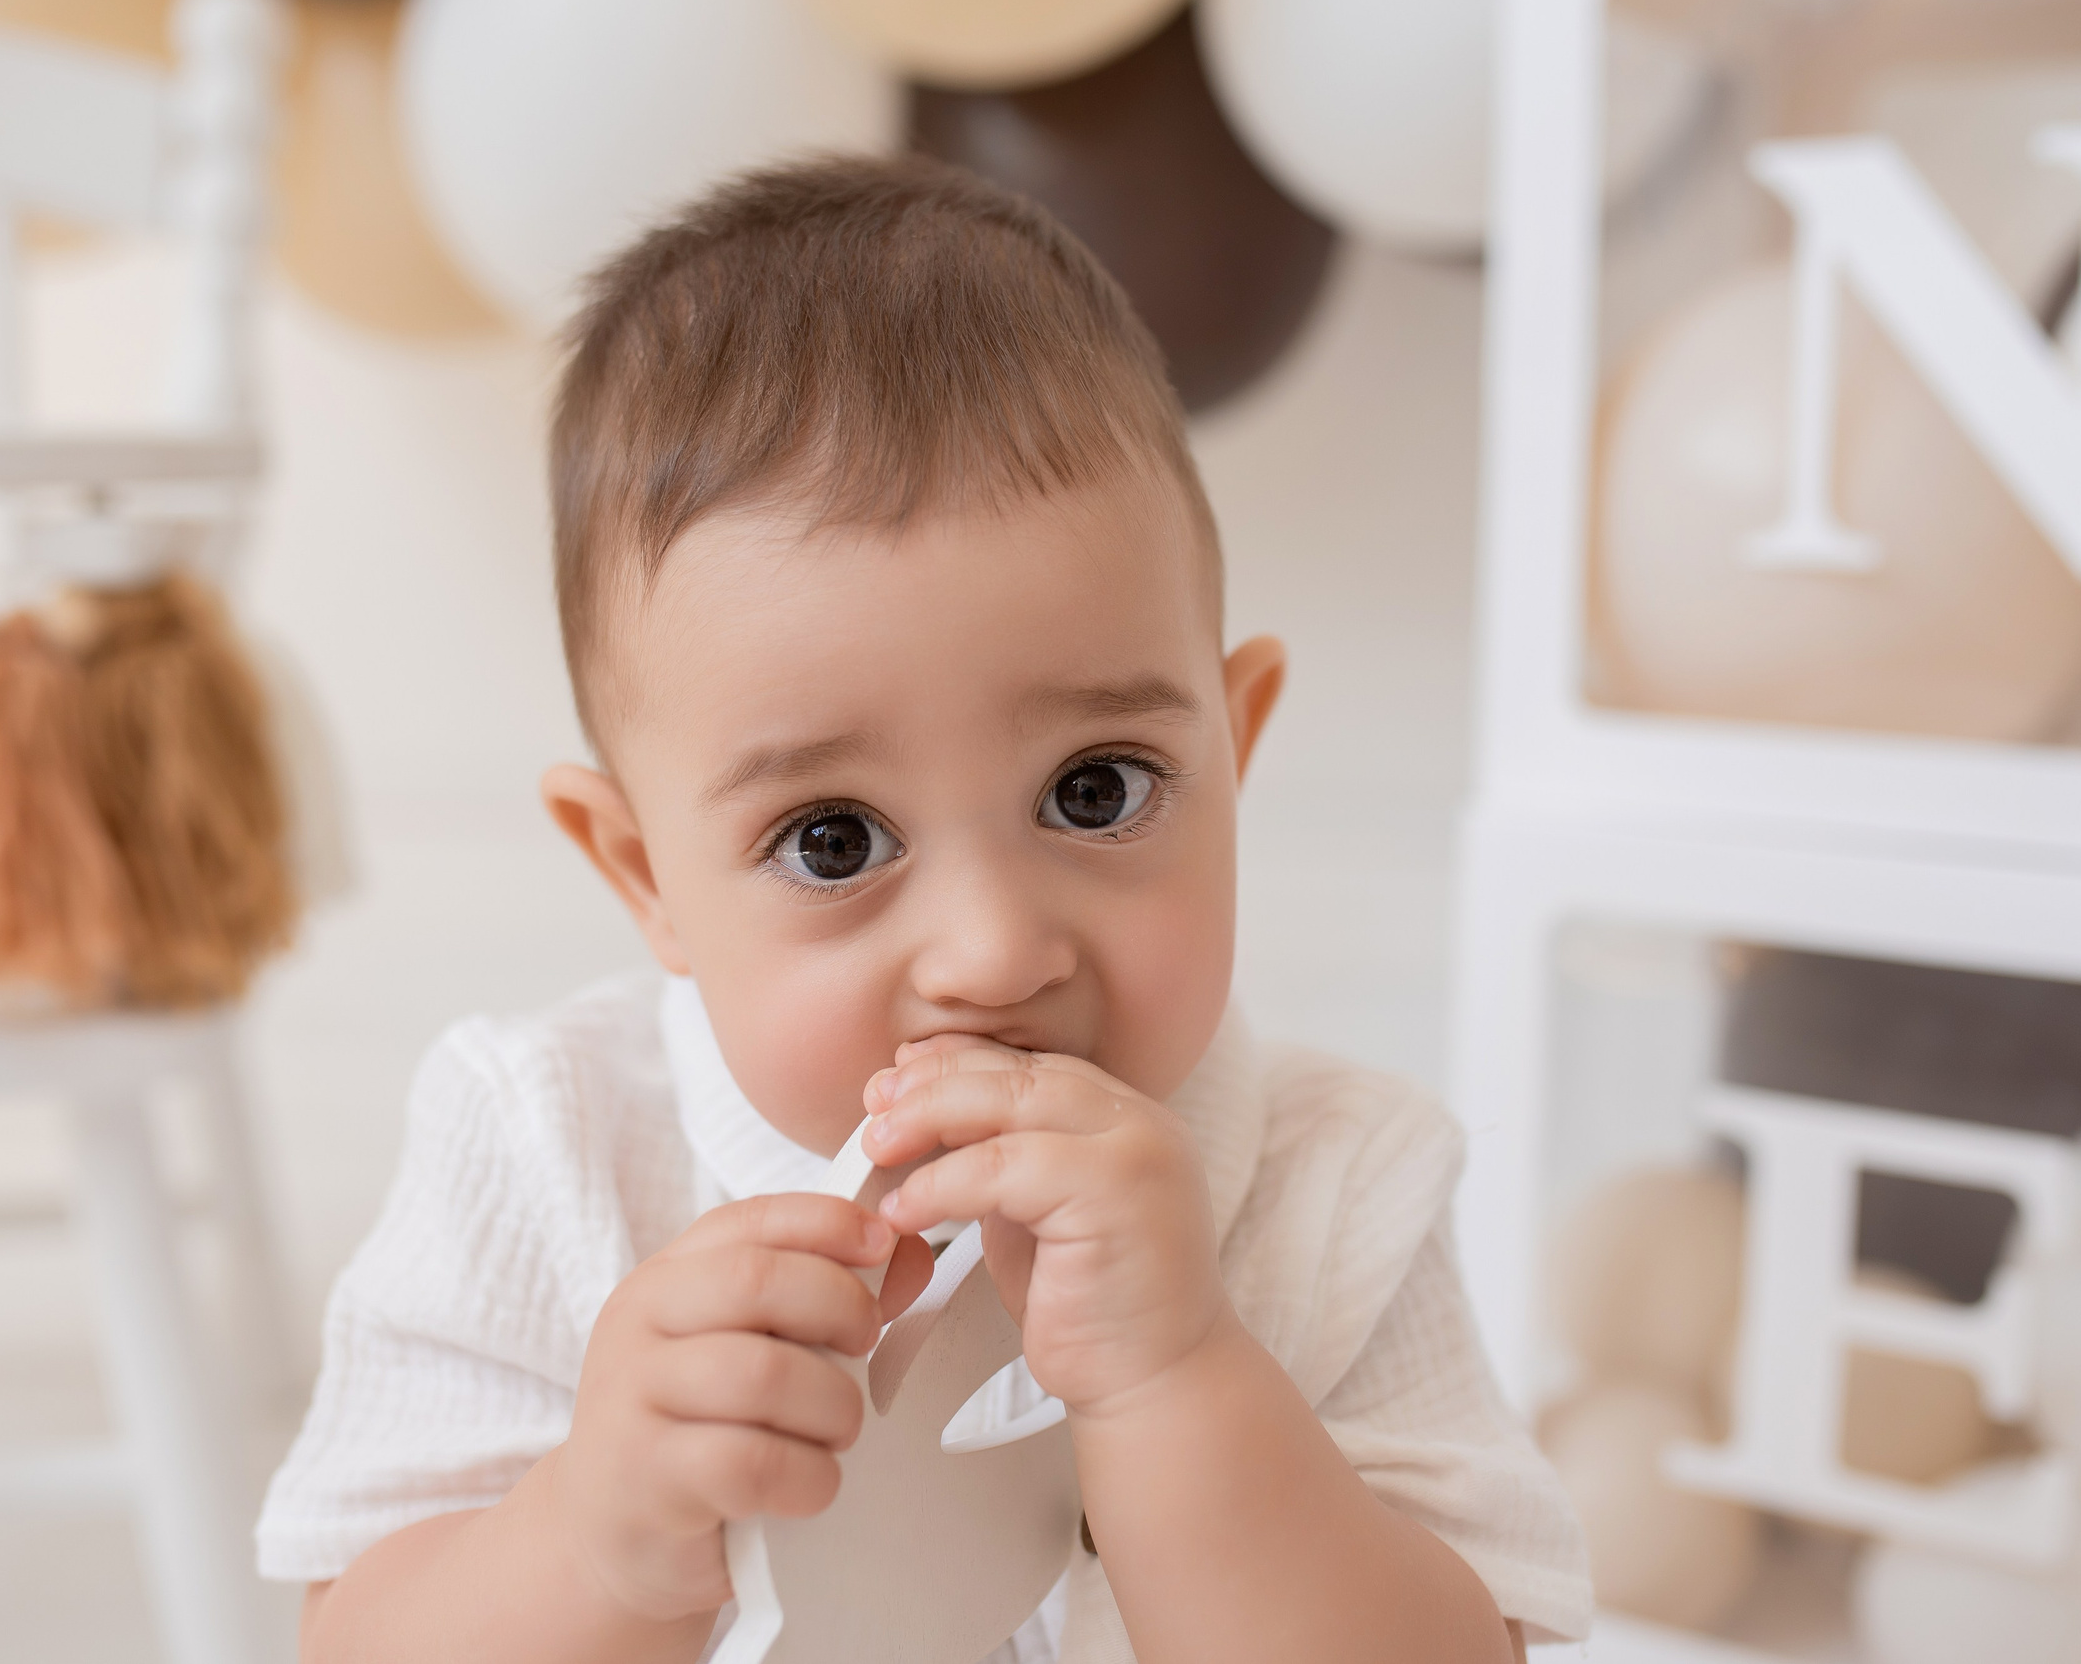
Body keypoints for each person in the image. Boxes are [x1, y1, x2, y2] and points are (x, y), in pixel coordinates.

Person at [256, 155, 1590, 1663]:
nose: (994, 951)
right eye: (833, 840)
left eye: (1096, 789)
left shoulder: (1332, 1183)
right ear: (643, 875)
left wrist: (1180, 1382)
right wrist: (594, 1538)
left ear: (1236, 746)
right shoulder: (551, 1146)